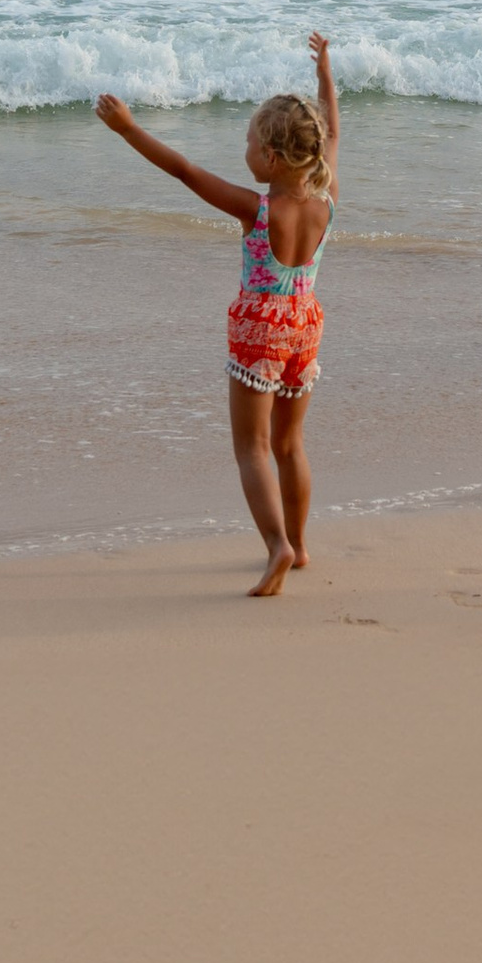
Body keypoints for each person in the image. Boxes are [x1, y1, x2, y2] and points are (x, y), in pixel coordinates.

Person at [94, 38, 338, 598]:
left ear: (272, 159)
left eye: (249, 142)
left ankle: (275, 545)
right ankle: (299, 546)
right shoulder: (327, 200)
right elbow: (335, 134)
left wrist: (128, 129)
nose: (244, 148)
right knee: (290, 445)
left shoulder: (256, 208)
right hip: (306, 325)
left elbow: (183, 170)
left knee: (250, 447)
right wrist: (325, 73)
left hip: (261, 328)